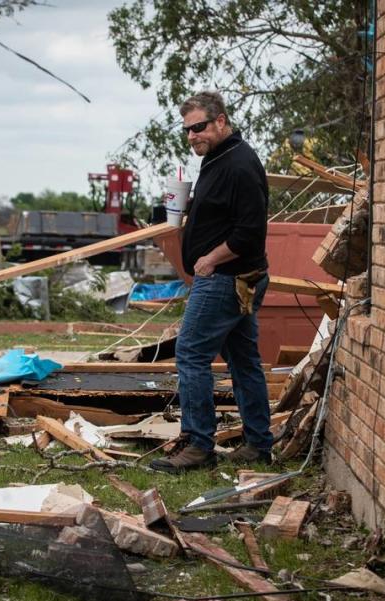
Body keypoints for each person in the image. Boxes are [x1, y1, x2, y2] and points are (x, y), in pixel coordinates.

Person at [150, 91, 272, 473]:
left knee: (190, 353)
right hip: (234, 278)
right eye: (187, 130)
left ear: (220, 121)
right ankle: (257, 443)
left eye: (199, 127)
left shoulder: (239, 164)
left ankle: (199, 445)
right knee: (243, 360)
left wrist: (208, 259)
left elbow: (250, 231)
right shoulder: (218, 160)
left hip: (225, 277)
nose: (192, 136)